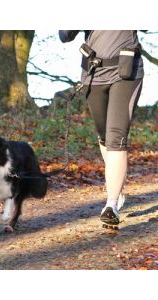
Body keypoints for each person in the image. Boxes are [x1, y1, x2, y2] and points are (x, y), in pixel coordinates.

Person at [59, 30, 144, 227]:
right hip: (93, 73)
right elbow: (65, 35)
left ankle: (111, 205)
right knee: (105, 136)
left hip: (126, 72)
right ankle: (117, 185)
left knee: (116, 138)